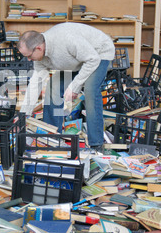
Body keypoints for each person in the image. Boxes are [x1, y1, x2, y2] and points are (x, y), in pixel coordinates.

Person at [18, 22, 115, 151]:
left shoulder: (66, 39)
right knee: (53, 87)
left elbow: (93, 59)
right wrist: (24, 114)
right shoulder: (39, 57)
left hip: (98, 54)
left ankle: (96, 144)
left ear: (39, 48)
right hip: (76, 60)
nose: (29, 60)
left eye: (29, 56)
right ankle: (51, 137)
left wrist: (74, 86)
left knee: (90, 90)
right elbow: (36, 83)